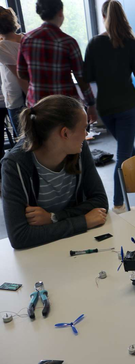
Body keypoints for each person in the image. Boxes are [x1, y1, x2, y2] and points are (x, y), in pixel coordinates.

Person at [1, 95, 108, 249]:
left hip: (76, 243)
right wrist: (83, 221)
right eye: (84, 128)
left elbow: (100, 202)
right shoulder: (15, 164)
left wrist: (54, 218)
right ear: (65, 133)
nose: (86, 135)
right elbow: (19, 236)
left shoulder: (79, 149)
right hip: (41, 255)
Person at [84, 0, 135, 214]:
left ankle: (134, 184)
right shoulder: (131, 43)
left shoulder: (94, 43)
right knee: (124, 155)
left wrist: (90, 105)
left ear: (103, 17)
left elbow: (87, 78)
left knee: (127, 147)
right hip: (126, 107)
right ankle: (118, 203)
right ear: (123, 16)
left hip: (105, 108)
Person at [17, 0, 97, 122]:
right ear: (60, 12)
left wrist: (38, 76)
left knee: (43, 139)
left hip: (37, 104)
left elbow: (21, 73)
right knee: (70, 138)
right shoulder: (68, 42)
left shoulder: (27, 39)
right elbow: (81, 77)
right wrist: (90, 103)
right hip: (64, 104)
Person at [0, 6, 27, 136]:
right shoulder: (25, 38)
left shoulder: (1, 46)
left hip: (17, 98)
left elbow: (18, 74)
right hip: (31, 93)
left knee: (23, 141)